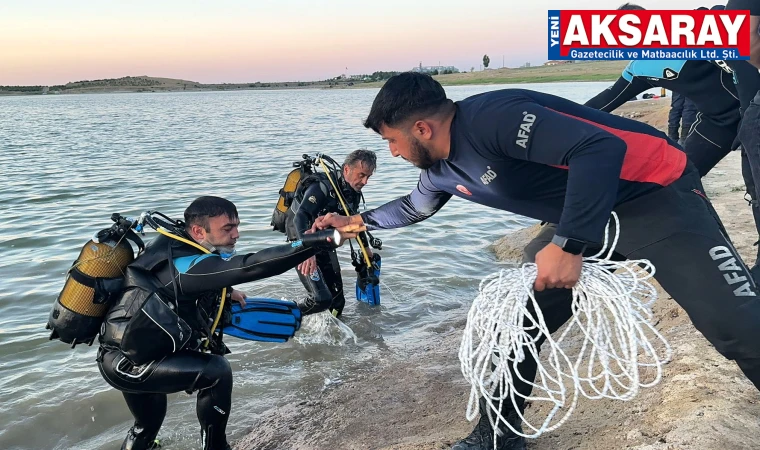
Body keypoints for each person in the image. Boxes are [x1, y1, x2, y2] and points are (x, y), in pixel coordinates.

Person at [315, 72, 760, 450]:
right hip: (589, 216)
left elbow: (598, 149)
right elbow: (412, 209)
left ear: (421, 128)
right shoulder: (440, 172)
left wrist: (568, 244)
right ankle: (499, 436)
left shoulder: (495, 118)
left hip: (655, 191)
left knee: (737, 328)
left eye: (392, 140)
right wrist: (352, 222)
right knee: (518, 322)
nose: (391, 152)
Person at [97, 196, 356, 450]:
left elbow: (170, 286)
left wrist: (227, 292)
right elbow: (250, 266)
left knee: (146, 427)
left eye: (237, 226)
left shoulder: (176, 246)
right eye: (228, 228)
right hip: (130, 362)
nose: (237, 235)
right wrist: (319, 242)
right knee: (216, 372)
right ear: (199, 230)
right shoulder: (186, 266)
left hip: (128, 351)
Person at [585, 3, 741, 178]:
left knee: (754, 183)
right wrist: (559, 118)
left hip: (752, 109)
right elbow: (605, 100)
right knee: (678, 178)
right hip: (719, 122)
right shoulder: (639, 69)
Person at [283, 149, 378, 317]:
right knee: (320, 299)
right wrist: (305, 253)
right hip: (300, 242)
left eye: (369, 177)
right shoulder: (321, 187)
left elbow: (354, 221)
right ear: (347, 169)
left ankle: (334, 338)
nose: (365, 182)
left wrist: (366, 250)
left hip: (321, 241)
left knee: (337, 302)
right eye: (362, 175)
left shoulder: (351, 192)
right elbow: (300, 218)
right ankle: (286, 316)